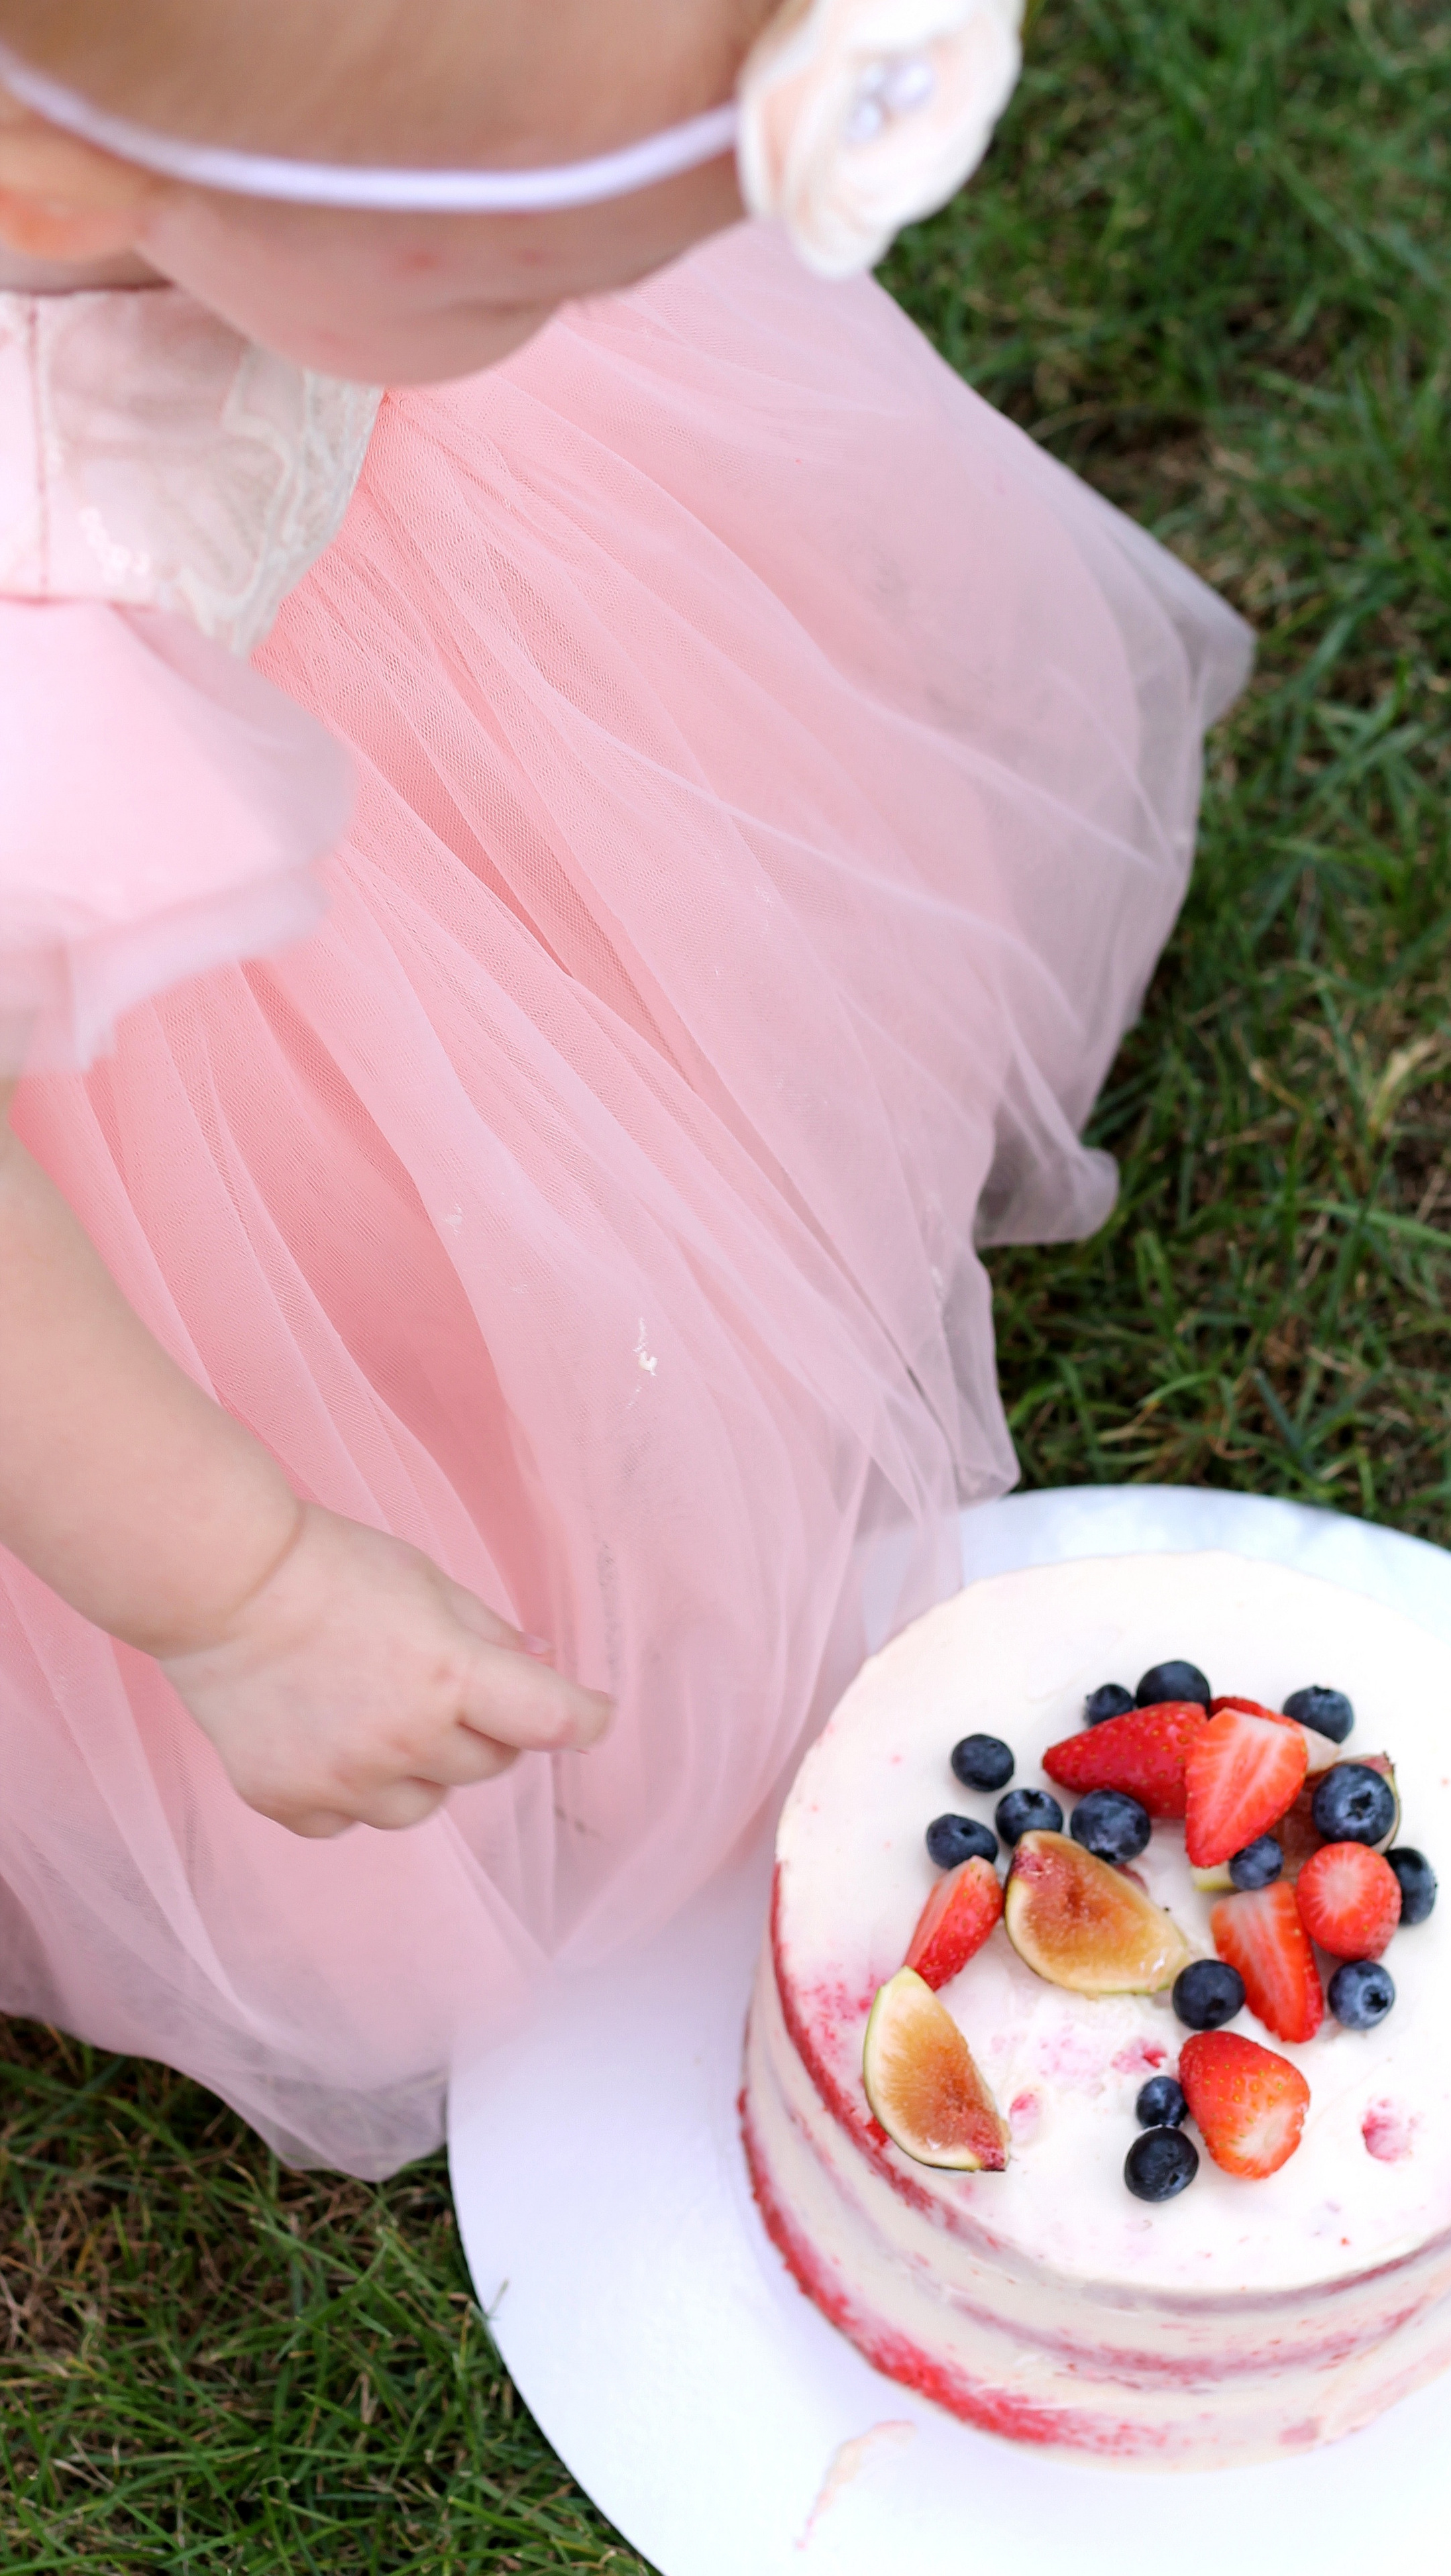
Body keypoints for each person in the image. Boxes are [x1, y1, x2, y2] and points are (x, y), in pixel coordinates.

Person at [0, 0, 1250, 2175]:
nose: (626, 280)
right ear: (65, 197)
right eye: (523, 262)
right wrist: (241, 1582)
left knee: (666, 995)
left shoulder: (281, 148)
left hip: (403, 630)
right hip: (102, 1089)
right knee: (395, 1358)